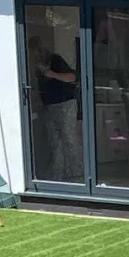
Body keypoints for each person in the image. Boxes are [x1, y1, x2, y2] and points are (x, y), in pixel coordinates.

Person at [28, 35, 82, 182]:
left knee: (69, 138)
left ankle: (77, 172)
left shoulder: (55, 60)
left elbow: (72, 77)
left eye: (37, 51)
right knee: (55, 141)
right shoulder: (38, 68)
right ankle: (58, 174)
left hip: (66, 104)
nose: (36, 55)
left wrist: (50, 74)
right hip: (50, 106)